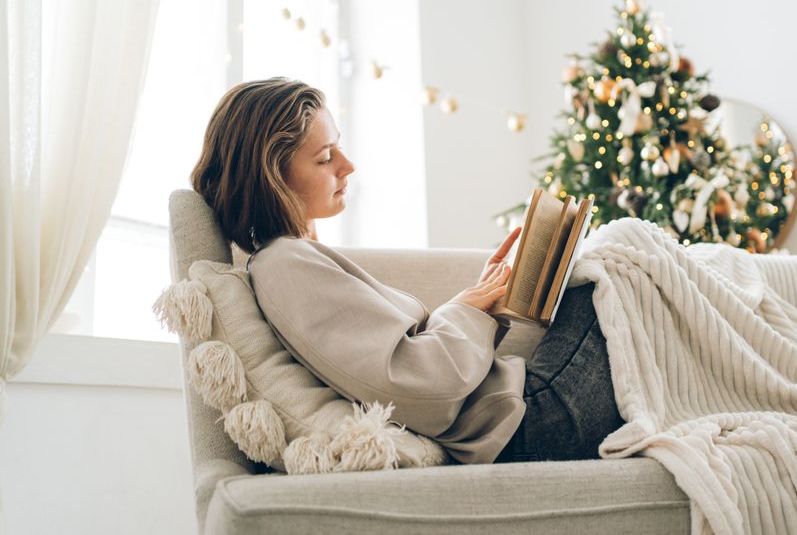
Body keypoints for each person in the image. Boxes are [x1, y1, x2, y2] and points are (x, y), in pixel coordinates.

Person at [190, 77, 624, 465]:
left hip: (517, 411)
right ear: (273, 177)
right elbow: (419, 389)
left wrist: (477, 301)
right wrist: (469, 312)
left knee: (611, 263)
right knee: (618, 257)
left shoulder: (294, 260)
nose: (347, 165)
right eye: (325, 158)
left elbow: (405, 359)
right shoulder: (286, 267)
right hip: (528, 420)